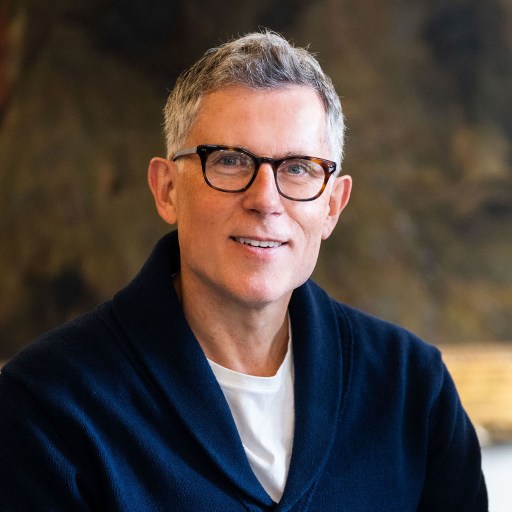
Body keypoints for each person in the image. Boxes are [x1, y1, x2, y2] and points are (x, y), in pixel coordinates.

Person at [0, 31, 487, 511]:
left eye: (298, 168)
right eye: (230, 161)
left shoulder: (413, 389)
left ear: (333, 206)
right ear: (167, 189)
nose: (265, 201)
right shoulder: (48, 405)